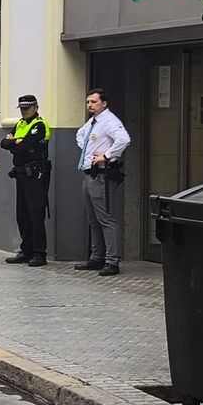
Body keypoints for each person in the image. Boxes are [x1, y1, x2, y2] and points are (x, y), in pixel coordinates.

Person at [75, 88, 131, 277]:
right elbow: (80, 135)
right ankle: (97, 257)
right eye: (88, 102)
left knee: (106, 219)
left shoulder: (110, 121)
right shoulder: (93, 122)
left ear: (104, 103)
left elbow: (124, 139)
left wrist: (106, 155)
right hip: (90, 173)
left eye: (94, 102)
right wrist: (89, 151)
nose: (90, 105)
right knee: (93, 220)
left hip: (102, 175)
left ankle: (112, 261)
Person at [0, 95, 52, 267]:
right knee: (22, 214)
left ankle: (39, 253)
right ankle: (26, 250)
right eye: (22, 108)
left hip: (36, 174)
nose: (24, 111)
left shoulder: (39, 125)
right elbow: (3, 144)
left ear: (36, 107)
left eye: (28, 108)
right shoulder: (21, 124)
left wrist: (14, 142)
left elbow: (21, 147)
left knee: (36, 213)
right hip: (21, 174)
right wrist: (17, 142)